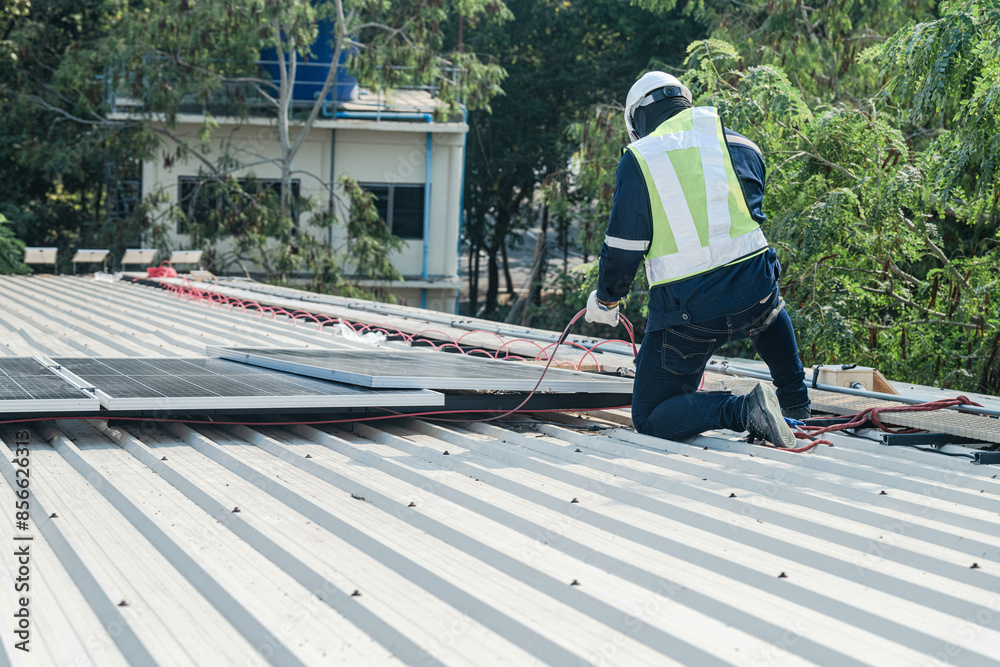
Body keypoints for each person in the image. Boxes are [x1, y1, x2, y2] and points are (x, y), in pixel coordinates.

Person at [585, 71, 811, 448]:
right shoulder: (744, 145)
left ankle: (743, 411)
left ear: (637, 122)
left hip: (687, 316)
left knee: (650, 415)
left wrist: (607, 300)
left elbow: (625, 247)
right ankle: (796, 403)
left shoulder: (640, 158)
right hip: (755, 295)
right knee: (767, 305)